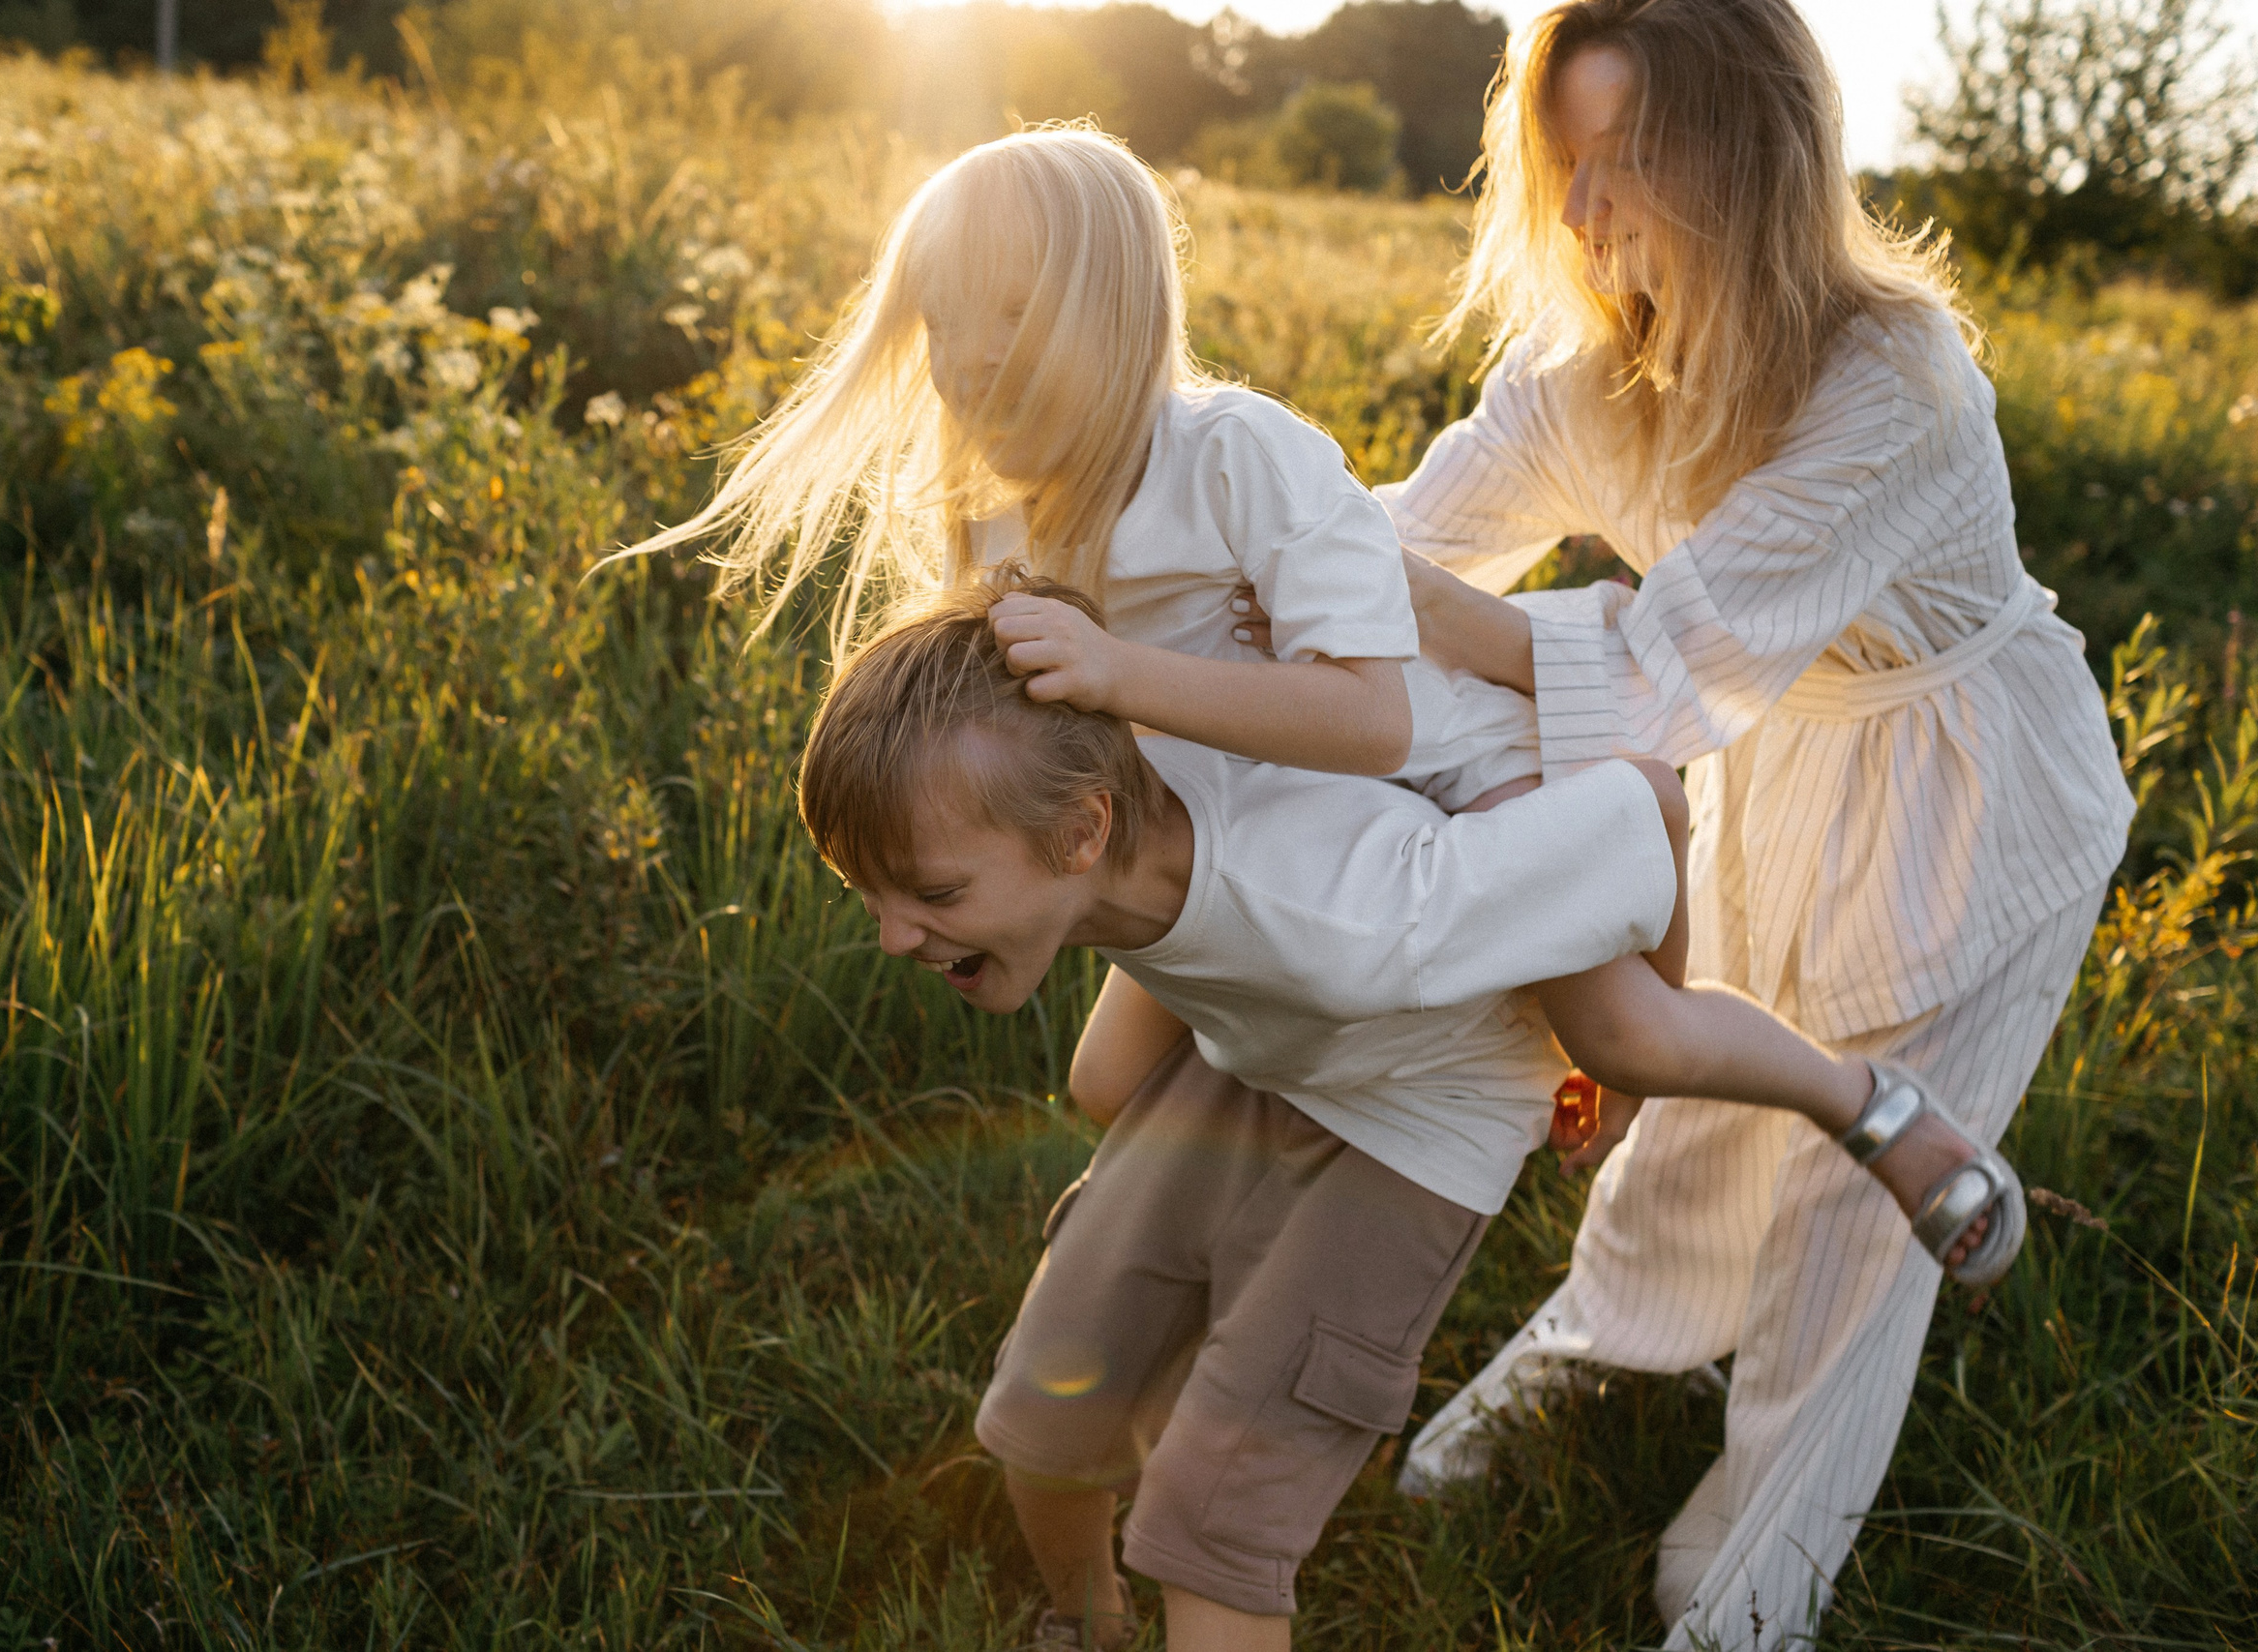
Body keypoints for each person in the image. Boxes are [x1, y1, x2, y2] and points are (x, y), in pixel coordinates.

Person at [625, 121, 2023, 1276]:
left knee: (1622, 1037)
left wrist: (1126, 673)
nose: (970, 354)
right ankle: (1176, 1242)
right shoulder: (994, 519)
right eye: (943, 319)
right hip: (1248, 827)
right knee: (1105, 1086)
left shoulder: (1231, 454)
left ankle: (1854, 1092)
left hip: (1444, 765)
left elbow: (1373, 720)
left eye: (1011, 311)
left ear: (1113, 316)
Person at [794, 572, 2032, 1652]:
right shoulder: (1103, 765)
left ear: (1082, 836)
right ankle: (1086, 1622)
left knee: (1212, 1524)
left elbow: (1637, 808)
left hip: (1424, 1109)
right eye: (872, 896)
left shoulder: (1361, 917)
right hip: (1269, 1046)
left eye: (930, 896)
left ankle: (1864, 1104)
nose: (894, 936)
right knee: (1043, 1414)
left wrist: (1617, 1048)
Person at [1331, 0, 2135, 1641]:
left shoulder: (1892, 375)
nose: (1579, 211)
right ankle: (1594, 1362)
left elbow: (1657, 666)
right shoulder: (1587, 371)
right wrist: (1192, 570)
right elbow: (1404, 543)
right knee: (1697, 1126)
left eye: (1624, 160)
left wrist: (1402, 603)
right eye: (1564, 160)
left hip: (1972, 787)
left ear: (1744, 157)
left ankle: (1755, 1583)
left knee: (1848, 1213)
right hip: (1770, 771)